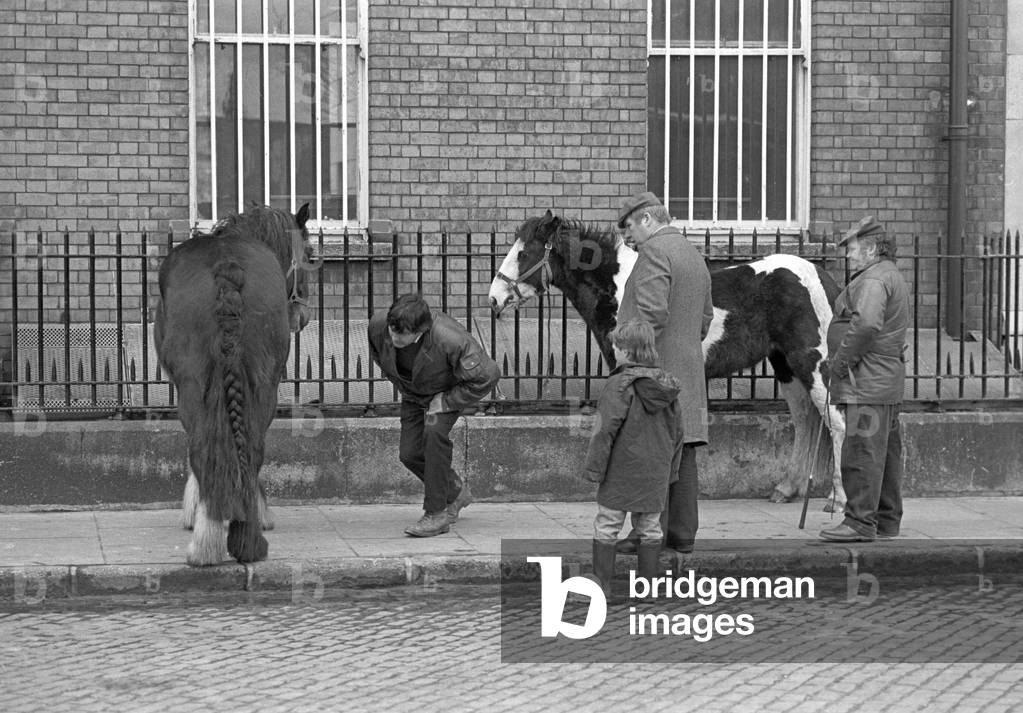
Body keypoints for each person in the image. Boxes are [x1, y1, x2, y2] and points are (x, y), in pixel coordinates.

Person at [614, 191, 714, 555]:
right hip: (688, 369)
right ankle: (682, 534)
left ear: (646, 219)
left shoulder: (655, 252)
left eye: (628, 227)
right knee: (683, 452)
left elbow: (651, 316)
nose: (626, 237)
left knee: (651, 454)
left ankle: (646, 534)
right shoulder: (691, 252)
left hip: (656, 371)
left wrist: (630, 355)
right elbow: (705, 319)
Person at [368, 294, 501, 537]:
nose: (395, 337)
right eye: (392, 331)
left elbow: (489, 375)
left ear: (421, 331)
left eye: (402, 334)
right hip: (412, 393)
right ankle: (455, 491)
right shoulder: (378, 325)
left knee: (433, 434)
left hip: (443, 394)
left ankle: (436, 514)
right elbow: (379, 355)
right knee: (408, 453)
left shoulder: (451, 340)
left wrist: (448, 400)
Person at [819, 215, 909, 543]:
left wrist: (839, 363)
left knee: (861, 454)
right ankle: (885, 520)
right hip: (880, 381)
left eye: (852, 249)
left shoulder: (873, 280)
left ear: (871, 250)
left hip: (866, 383)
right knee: (884, 454)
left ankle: (858, 522)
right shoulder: (887, 275)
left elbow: (867, 324)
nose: (848, 255)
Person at [582, 320, 685, 597]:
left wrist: (595, 469)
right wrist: (671, 471)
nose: (614, 350)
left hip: (621, 469)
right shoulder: (667, 386)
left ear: (628, 351)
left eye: (617, 346)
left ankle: (601, 584)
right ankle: (648, 589)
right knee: (649, 527)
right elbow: (678, 434)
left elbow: (605, 430)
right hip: (655, 471)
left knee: (608, 524)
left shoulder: (619, 384)